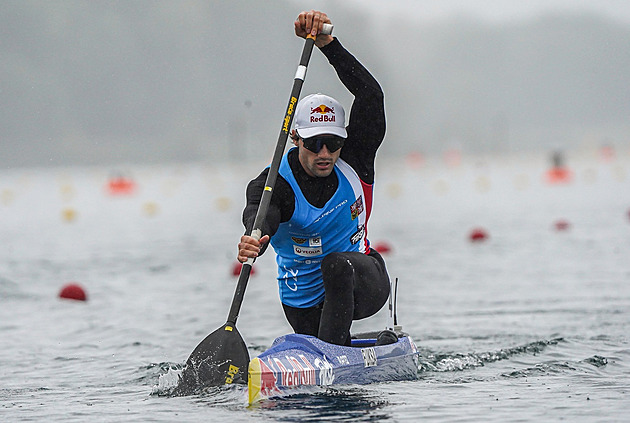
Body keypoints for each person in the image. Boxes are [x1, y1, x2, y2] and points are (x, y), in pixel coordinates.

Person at [237, 10, 390, 346]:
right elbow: (261, 211)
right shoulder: (277, 183)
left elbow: (371, 97)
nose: (325, 153)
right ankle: (338, 350)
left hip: (362, 278)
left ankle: (332, 354)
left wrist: (327, 44)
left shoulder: (356, 160)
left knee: (336, 265)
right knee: (319, 337)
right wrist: (255, 235)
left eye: (333, 143)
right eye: (314, 143)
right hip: (302, 299)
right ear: (296, 139)